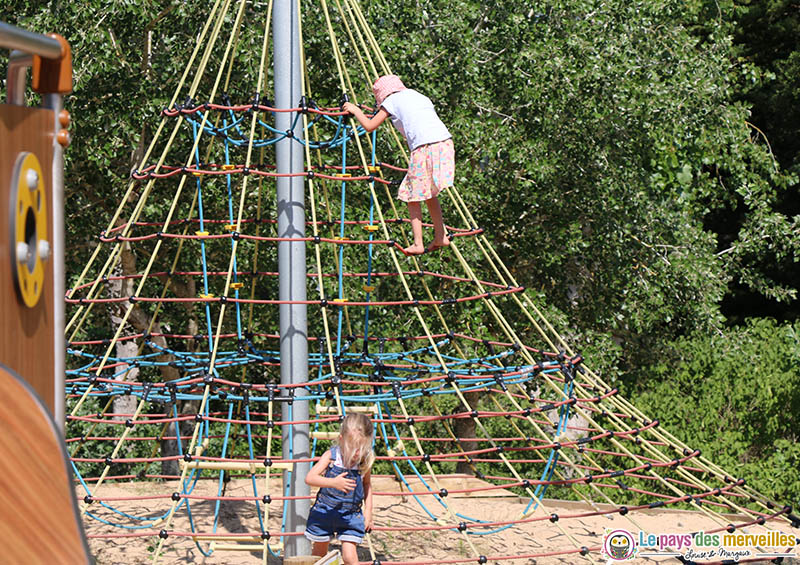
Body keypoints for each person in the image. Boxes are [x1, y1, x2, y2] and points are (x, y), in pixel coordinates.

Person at [343, 75, 454, 255]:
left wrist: (355, 110)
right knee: (429, 193)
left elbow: (370, 126)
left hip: (425, 147)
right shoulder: (417, 95)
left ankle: (418, 243)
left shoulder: (391, 101)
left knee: (411, 194)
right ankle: (440, 235)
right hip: (444, 143)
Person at [304, 413, 375, 564]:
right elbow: (310, 478)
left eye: (361, 449)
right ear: (341, 440)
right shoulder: (331, 456)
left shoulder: (364, 461)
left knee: (349, 556)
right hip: (325, 511)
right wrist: (333, 482)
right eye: (353, 448)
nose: (357, 454)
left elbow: (367, 485)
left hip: (350, 516)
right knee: (319, 555)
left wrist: (368, 512)